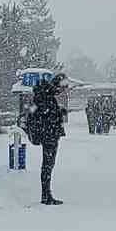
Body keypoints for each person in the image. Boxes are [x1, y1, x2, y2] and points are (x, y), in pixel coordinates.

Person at [25, 73, 69, 205]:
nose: (62, 91)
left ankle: (46, 194)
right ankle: (46, 195)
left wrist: (58, 112)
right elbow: (46, 115)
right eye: (63, 88)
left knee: (48, 165)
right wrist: (57, 114)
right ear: (58, 85)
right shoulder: (47, 96)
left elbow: (42, 112)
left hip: (48, 135)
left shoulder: (45, 95)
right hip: (48, 136)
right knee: (47, 166)